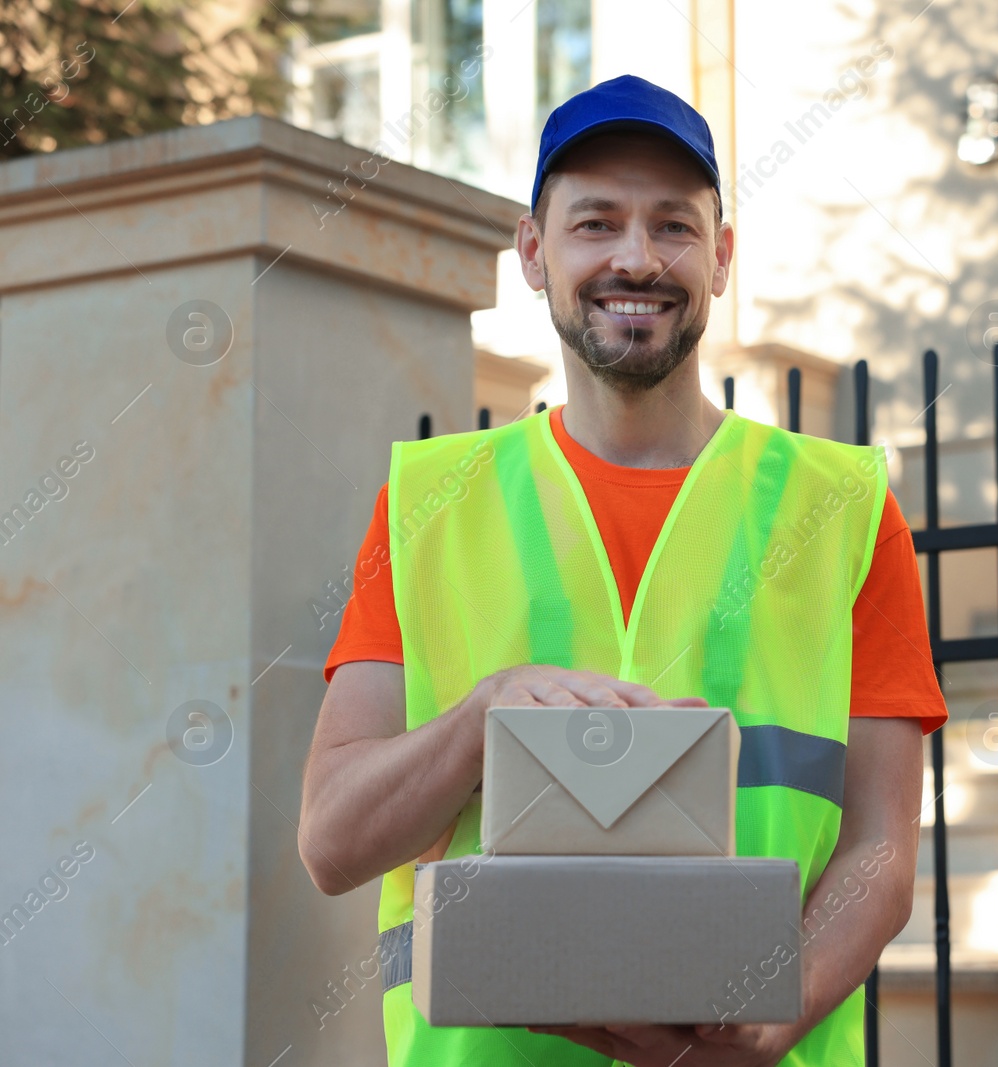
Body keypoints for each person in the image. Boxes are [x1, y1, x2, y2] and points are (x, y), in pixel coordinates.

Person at [298, 74, 946, 1067]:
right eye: (595, 222)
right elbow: (334, 840)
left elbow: (881, 849)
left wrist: (783, 1005)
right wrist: (483, 716)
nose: (636, 259)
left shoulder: (843, 506)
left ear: (721, 257)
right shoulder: (430, 503)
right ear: (533, 253)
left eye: (674, 227)